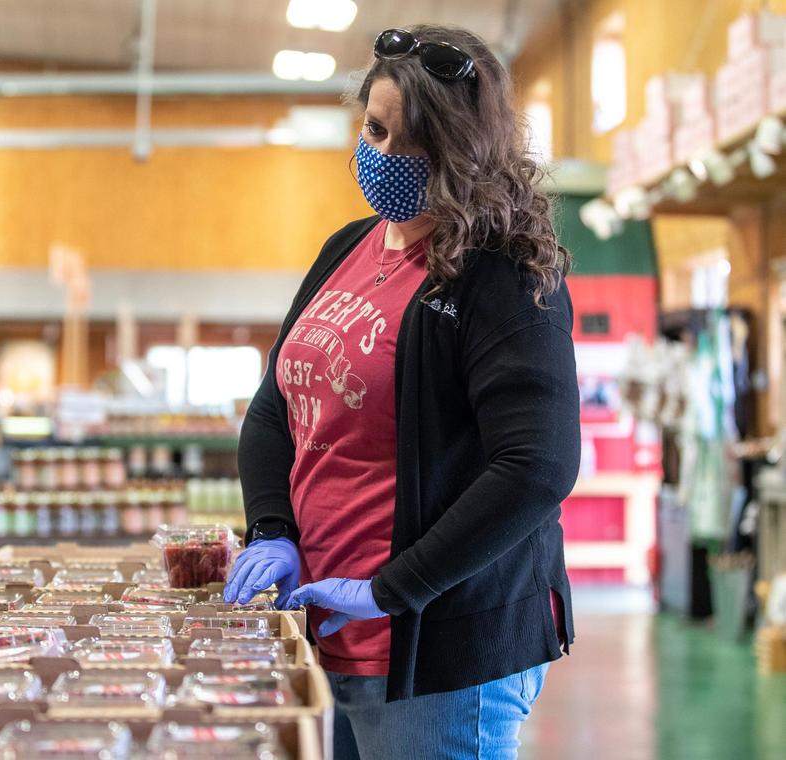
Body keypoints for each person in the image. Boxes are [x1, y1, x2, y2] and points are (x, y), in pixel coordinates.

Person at [225, 24, 580, 760]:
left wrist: (394, 587)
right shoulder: (346, 247)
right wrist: (273, 530)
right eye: (374, 129)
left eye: (410, 143)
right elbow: (274, 409)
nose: (383, 156)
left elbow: (537, 466)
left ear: (463, 151)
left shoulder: (500, 273)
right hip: (330, 633)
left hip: (437, 650)